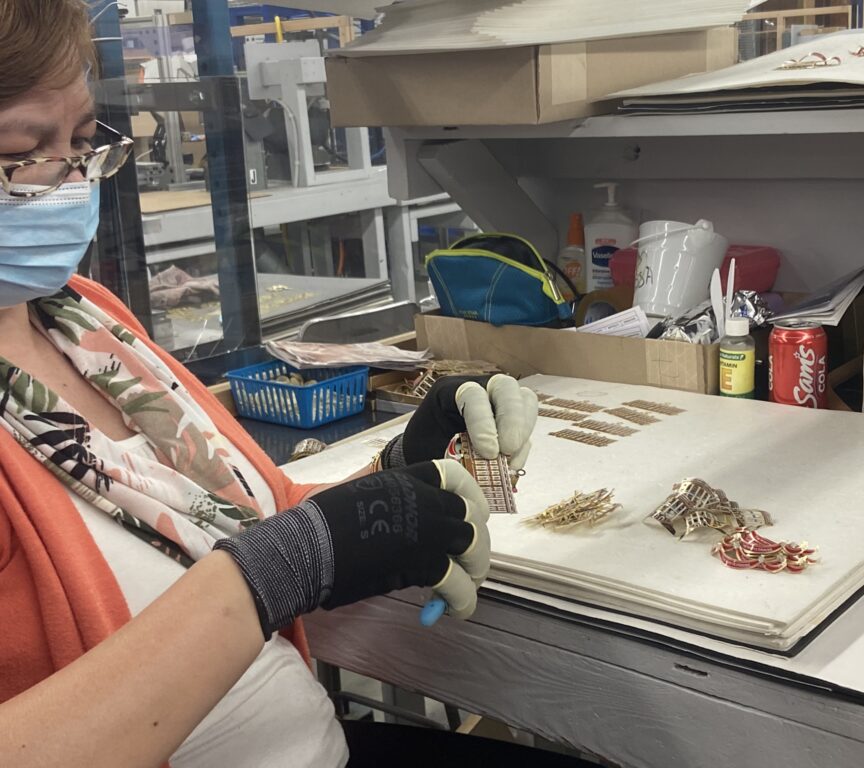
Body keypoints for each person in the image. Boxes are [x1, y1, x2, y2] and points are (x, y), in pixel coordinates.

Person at [0, 2, 551, 766]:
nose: (72, 184)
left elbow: (237, 530)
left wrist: (397, 473)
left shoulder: (81, 318)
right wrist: (278, 570)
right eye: (24, 153)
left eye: (84, 143)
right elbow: (264, 567)